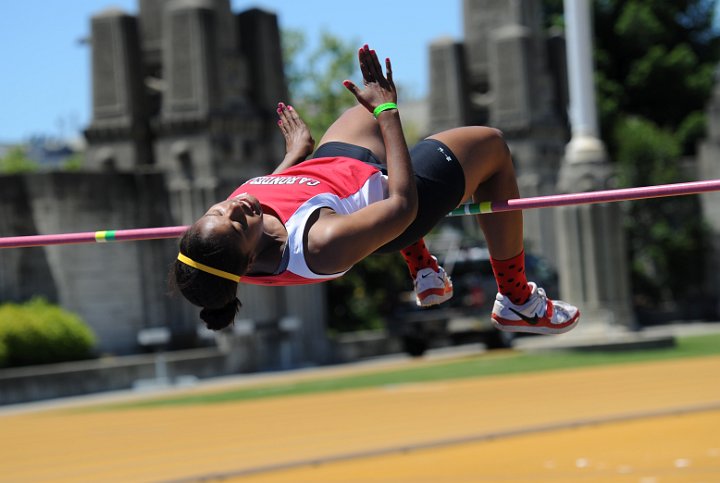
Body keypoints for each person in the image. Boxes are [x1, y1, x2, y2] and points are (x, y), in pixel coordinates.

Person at [172, 44, 580, 335]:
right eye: (238, 222)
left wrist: (295, 154)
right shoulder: (321, 243)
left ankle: (426, 274)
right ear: (247, 261)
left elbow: (272, 194)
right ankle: (516, 299)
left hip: (331, 172)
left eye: (217, 210)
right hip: (396, 202)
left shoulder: (230, 237)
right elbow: (401, 205)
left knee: (357, 114)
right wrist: (388, 110)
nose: (238, 205)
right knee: (491, 145)